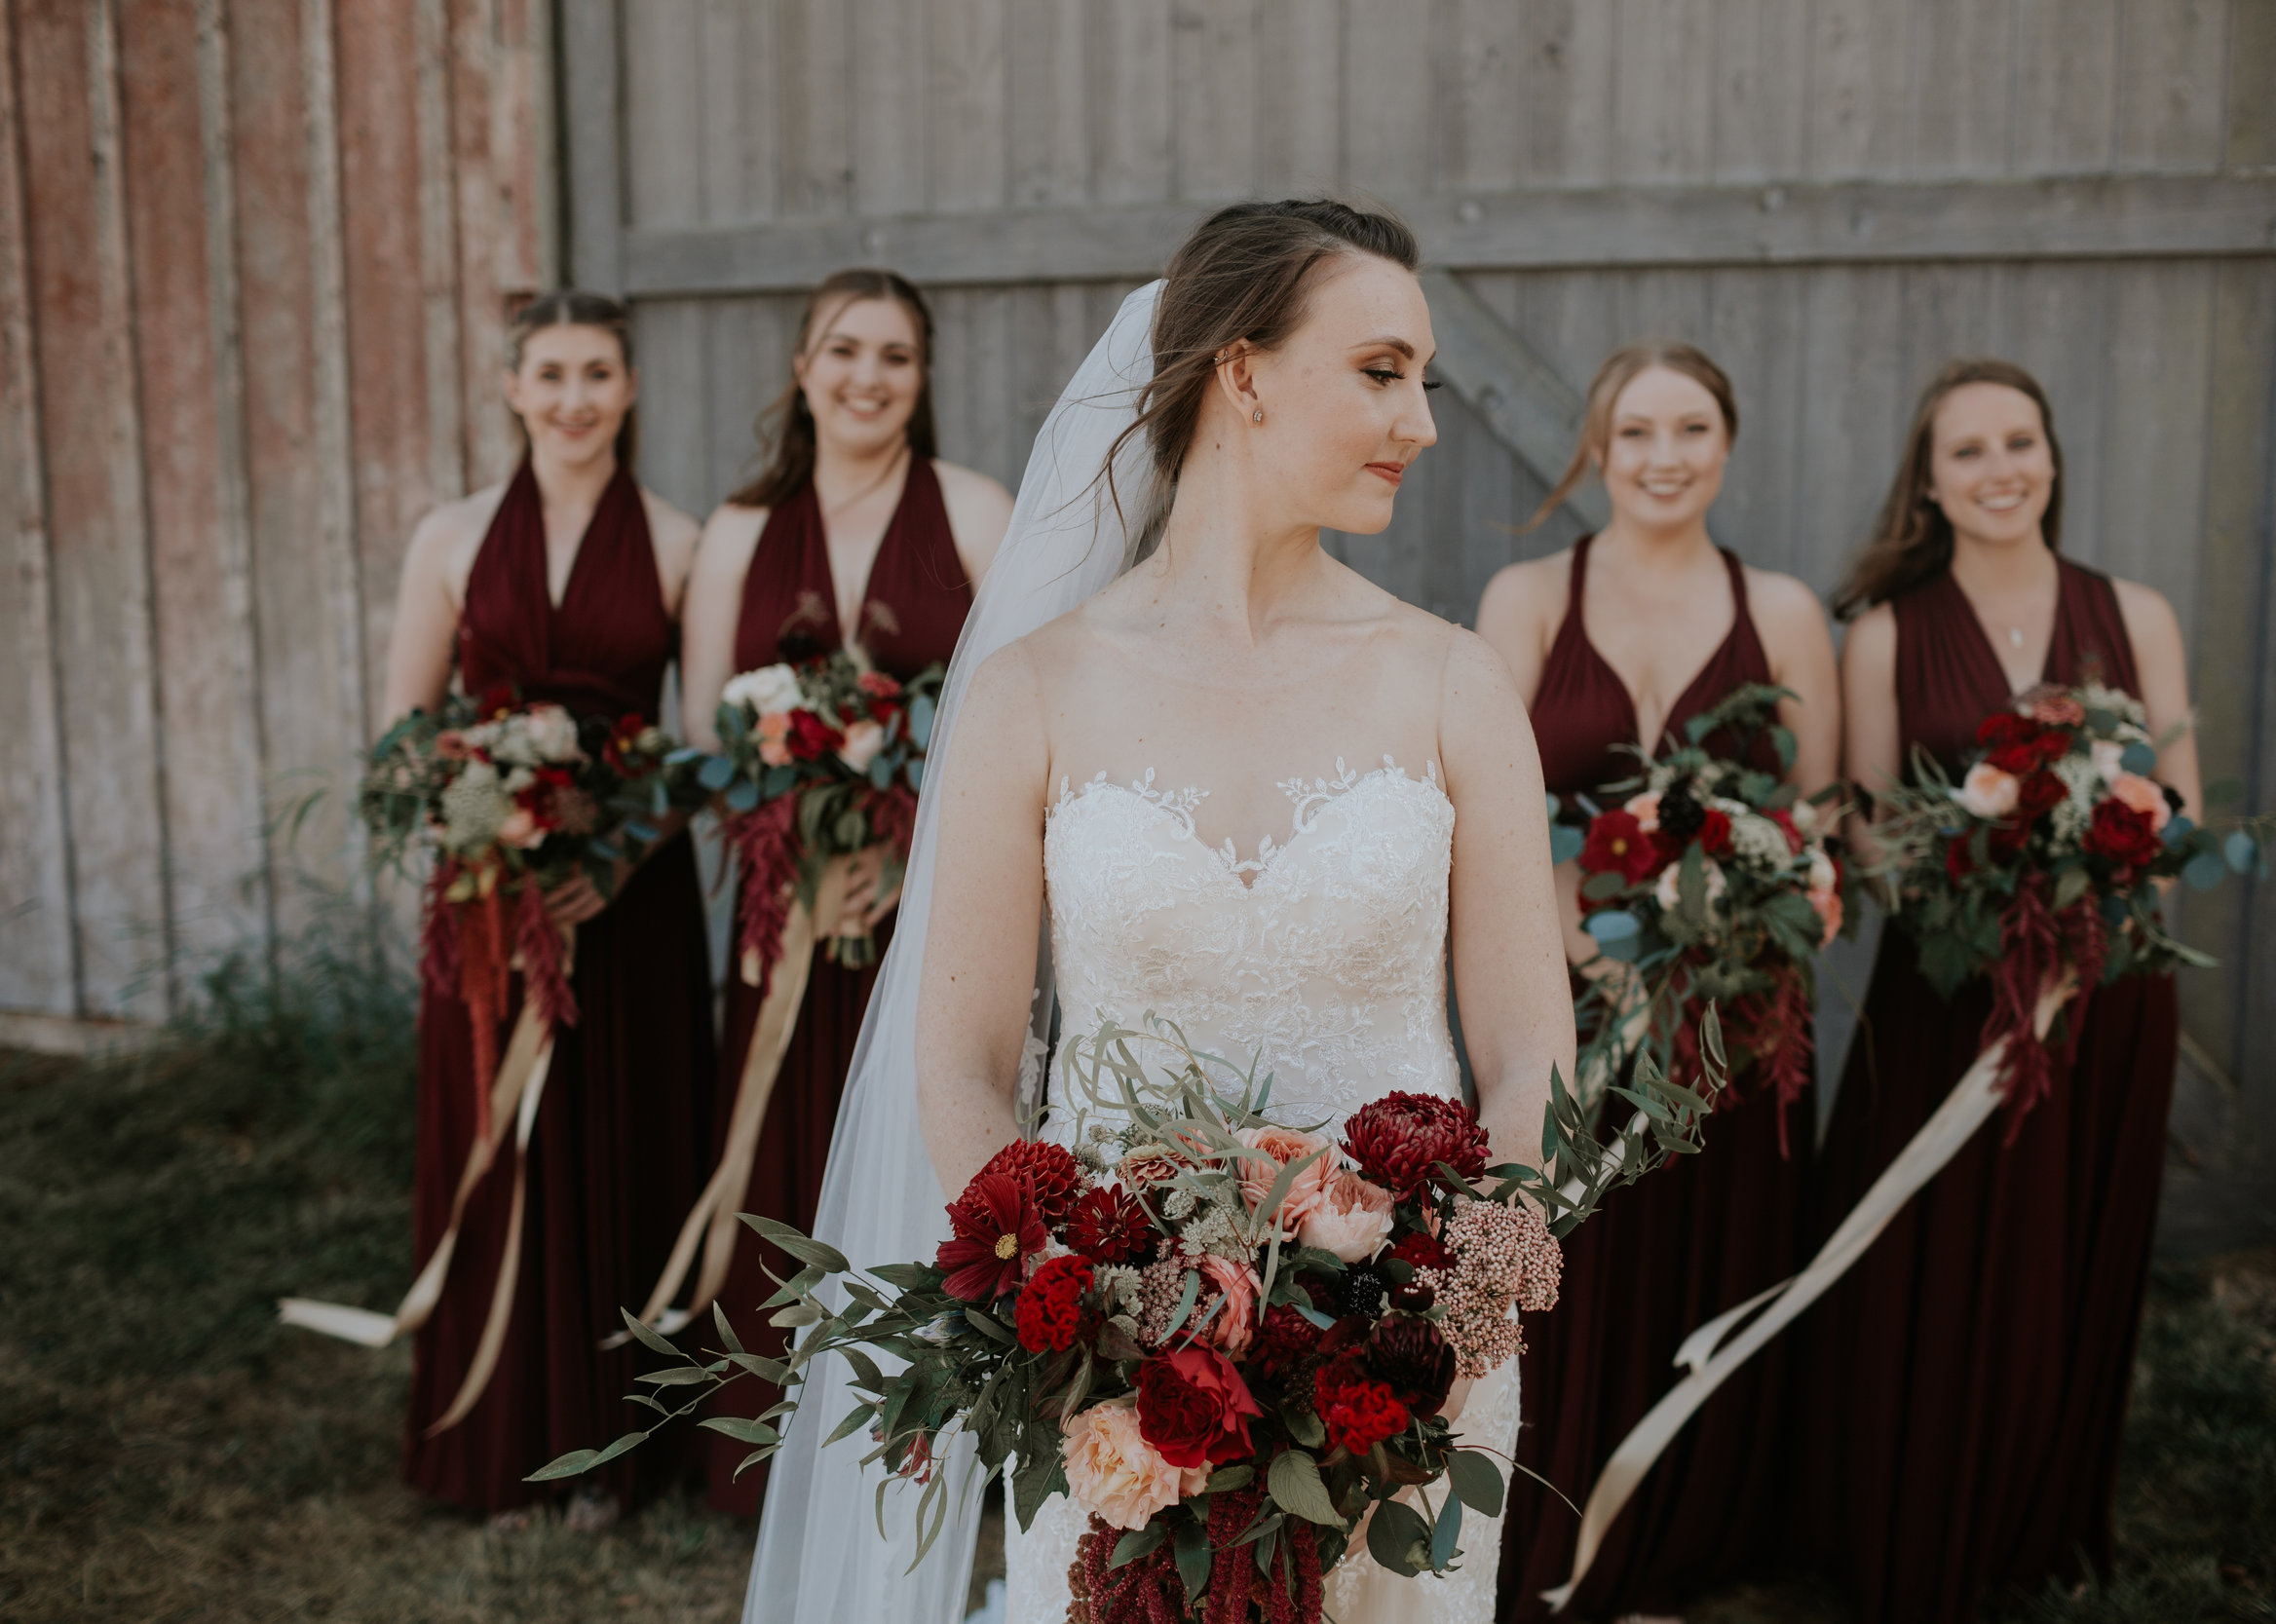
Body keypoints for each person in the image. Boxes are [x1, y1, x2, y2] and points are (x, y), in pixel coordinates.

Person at [740, 201, 1577, 1624]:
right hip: (1112, 1369)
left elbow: (1526, 1054)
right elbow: (960, 1062)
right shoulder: (1031, 691)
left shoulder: (1452, 682)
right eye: (1382, 371)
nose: (1422, 421)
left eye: (1424, 376)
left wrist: (1444, 1305)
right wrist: (1089, 1318)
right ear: (1241, 372)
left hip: (1406, 1367)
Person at [1797, 359, 2197, 1622]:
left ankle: (2040, 1512)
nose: (2000, 468)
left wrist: (2100, 898)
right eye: (1967, 450)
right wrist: (1973, 886)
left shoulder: (2135, 612)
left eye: (2019, 440)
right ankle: (1903, 1510)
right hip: (1948, 995)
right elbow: (1865, 825)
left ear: (2053, 456)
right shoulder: (1886, 631)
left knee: (2066, 1254)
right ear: (1929, 481)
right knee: (1927, 1256)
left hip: (2105, 994)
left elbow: (2177, 814)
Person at [1476, 344, 1839, 1621]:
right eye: (1637, 432)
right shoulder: (1526, 598)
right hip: (1561, 993)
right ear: (1597, 449)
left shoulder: (1784, 611)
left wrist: (1729, 936)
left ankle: (1694, 1532)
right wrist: (1583, 951)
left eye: (1692, 428)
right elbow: (1486, 811)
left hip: (1730, 1012)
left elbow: (1810, 827)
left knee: (1711, 1252)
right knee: (1575, 1261)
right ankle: (1552, 1522)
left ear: (1726, 445)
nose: (1665, 455)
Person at [380, 291, 717, 1528]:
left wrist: (616, 850)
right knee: (502, 1148)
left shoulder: (680, 543)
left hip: (625, 899)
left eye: (597, 373)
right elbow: (403, 736)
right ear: (512, 388)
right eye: (550, 374)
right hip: (491, 898)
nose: (573, 397)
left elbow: (702, 745)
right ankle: (499, 1443)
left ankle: (616, 1452)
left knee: (621, 1140)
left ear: (629, 389)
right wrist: (487, 818)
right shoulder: (453, 539)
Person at [677, 268, 1010, 1515]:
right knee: (787, 1162)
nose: (867, 376)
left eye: (895, 357)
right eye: (843, 350)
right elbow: (709, 735)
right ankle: (775, 1458)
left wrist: (906, 850)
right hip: (791, 917)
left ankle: (933, 1450)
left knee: (929, 1172)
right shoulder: (738, 533)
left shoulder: (975, 513)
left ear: (922, 382)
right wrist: (800, 850)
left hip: (936, 915)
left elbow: (1022, 718)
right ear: (802, 367)